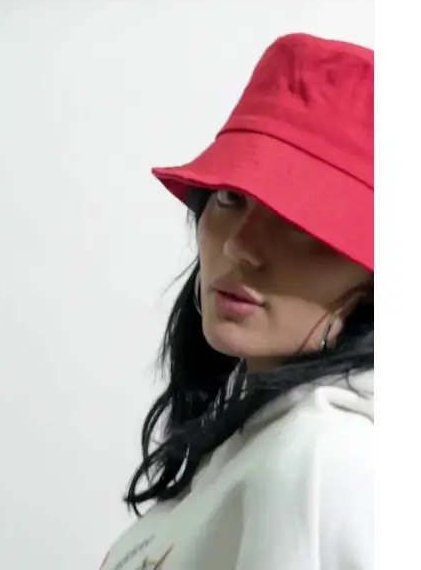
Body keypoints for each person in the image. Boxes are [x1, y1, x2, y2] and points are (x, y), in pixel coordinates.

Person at [98, 32, 373, 570]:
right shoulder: (254, 444)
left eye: (298, 221)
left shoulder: (324, 461)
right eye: (231, 197)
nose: (238, 246)